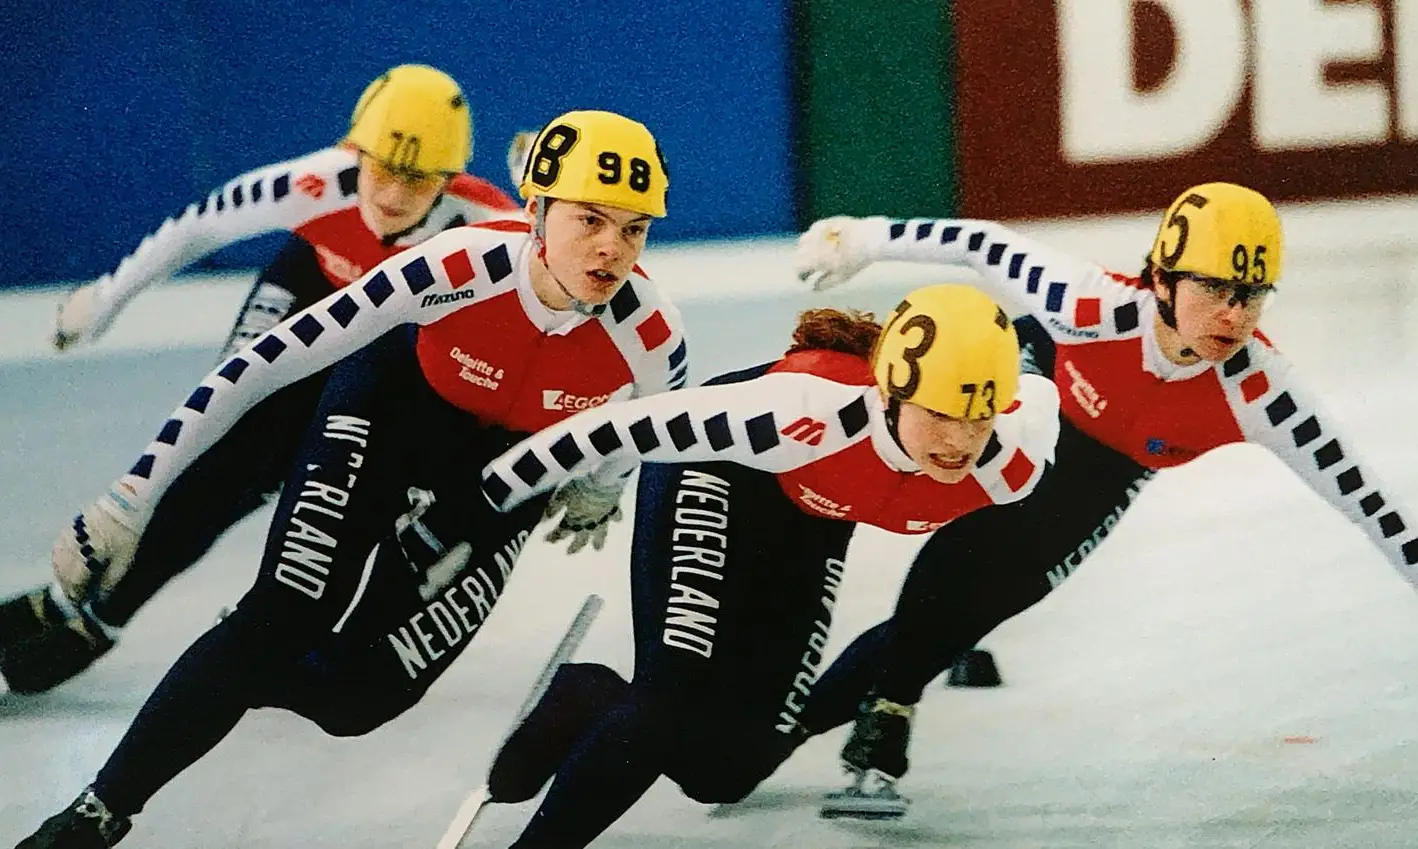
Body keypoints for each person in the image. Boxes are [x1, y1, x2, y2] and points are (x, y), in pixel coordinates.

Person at [15, 108, 686, 848]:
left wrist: (602, 486)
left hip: (498, 482)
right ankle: (95, 812)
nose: (610, 248)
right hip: (386, 414)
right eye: (590, 219)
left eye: (633, 228)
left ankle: (242, 661)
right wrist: (129, 497)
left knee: (358, 698)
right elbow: (261, 364)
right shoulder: (455, 266)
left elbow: (644, 429)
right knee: (282, 614)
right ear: (535, 210)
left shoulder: (651, 331)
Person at [783, 182, 1418, 786]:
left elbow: (1367, 500)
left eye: (1255, 294)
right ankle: (884, 700)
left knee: (992, 598)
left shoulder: (1261, 390)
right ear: (1162, 278)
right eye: (1218, 288)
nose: (1237, 314)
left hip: (1109, 464)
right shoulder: (1089, 304)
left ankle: (805, 730)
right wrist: (862, 238)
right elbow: (983, 244)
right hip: (1032, 389)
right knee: (986, 538)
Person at [451, 282, 1062, 847]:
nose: (959, 442)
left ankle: (589, 695)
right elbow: (617, 428)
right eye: (940, 415)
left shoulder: (1014, 464)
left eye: (978, 417)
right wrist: (486, 503)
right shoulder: (799, 415)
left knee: (725, 772)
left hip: (813, 517)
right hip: (718, 469)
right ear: (889, 394)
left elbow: (1040, 389)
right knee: (670, 702)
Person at [0, 64, 523, 696]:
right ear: (352, 152)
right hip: (309, 289)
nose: (390, 195)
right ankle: (83, 612)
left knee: (299, 470)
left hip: (383, 335)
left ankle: (106, 614)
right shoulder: (317, 183)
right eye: (380, 168)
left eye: (416, 179)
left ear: (449, 179)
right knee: (226, 450)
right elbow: (199, 225)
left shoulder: (488, 224)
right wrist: (103, 300)